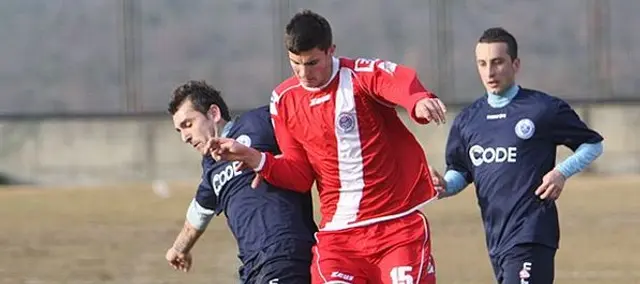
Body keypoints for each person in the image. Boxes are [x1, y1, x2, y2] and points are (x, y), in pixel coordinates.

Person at [209, 10, 447, 284]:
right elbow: (299, 174)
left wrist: (418, 101)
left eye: (312, 63)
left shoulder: (358, 76)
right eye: (295, 63)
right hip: (340, 237)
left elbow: (396, 80)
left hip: (396, 226)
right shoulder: (284, 100)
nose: (303, 73)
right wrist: (257, 159)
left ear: (331, 51)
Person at [430, 27, 604, 284]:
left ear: (515, 64)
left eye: (498, 62)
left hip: (532, 234)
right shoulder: (468, 120)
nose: (489, 72)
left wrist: (561, 172)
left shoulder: (542, 109)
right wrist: (444, 186)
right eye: (482, 63)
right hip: (496, 239)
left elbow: (593, 144)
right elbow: (461, 172)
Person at [164, 80, 317, 283]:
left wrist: (272, 162)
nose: (185, 137)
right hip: (252, 267)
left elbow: (314, 131)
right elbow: (199, 212)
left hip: (285, 252)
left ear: (214, 114)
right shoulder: (211, 167)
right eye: (179, 130)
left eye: (188, 124)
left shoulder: (258, 122)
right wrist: (178, 249)